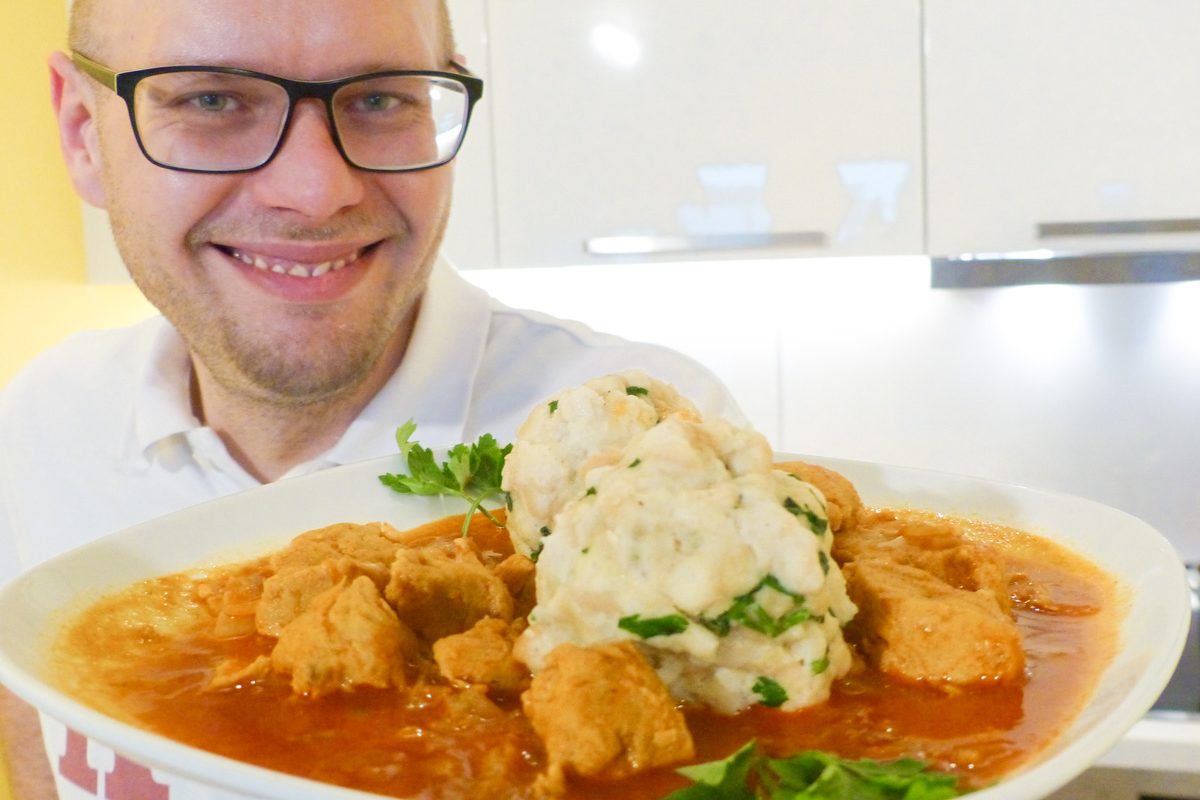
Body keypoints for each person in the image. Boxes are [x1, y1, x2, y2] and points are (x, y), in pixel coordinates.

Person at [0, 0, 743, 796]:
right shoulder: (40, 423)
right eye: (211, 100)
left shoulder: (652, 442)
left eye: (382, 98)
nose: (316, 189)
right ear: (83, 130)